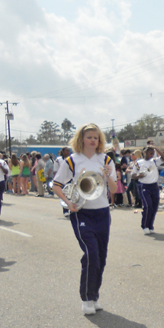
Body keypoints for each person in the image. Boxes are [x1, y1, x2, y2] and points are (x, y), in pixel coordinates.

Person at [52, 123, 118, 315]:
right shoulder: (72, 161)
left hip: (102, 212)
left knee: (101, 257)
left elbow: (113, 190)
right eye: (89, 137)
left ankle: (94, 295)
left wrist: (108, 176)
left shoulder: (105, 159)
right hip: (81, 212)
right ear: (81, 139)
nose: (93, 140)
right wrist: (67, 203)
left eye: (96, 137)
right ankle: (86, 298)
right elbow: (56, 185)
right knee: (91, 254)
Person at [133, 146, 164, 234]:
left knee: (154, 207)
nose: (152, 155)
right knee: (148, 206)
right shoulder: (138, 163)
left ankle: (150, 225)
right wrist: (138, 176)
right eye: (150, 153)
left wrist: (156, 148)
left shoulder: (154, 161)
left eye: (153, 153)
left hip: (154, 186)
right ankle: (145, 225)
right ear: (145, 153)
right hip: (144, 186)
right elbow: (133, 175)